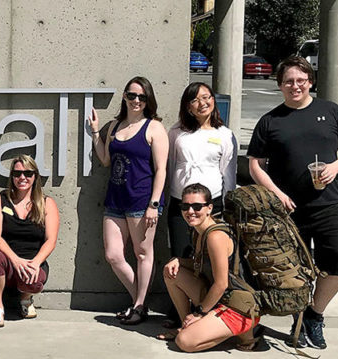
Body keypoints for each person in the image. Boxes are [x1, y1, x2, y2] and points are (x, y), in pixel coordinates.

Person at [247, 56, 338, 349]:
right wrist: (278, 194)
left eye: (300, 80)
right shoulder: (270, 121)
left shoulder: (330, 111)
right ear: (280, 85)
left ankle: (315, 313)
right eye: (288, 81)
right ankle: (297, 316)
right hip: (287, 210)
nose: (295, 86)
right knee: (290, 270)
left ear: (310, 81)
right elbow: (255, 165)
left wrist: (335, 167)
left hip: (328, 203)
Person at [87, 76, 169, 325]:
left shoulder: (154, 128)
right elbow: (104, 160)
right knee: (113, 255)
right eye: (132, 95)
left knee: (143, 254)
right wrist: (95, 132)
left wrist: (154, 204)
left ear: (148, 100)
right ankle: (139, 303)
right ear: (124, 96)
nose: (136, 101)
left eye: (142, 97)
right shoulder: (114, 126)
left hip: (142, 201)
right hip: (115, 199)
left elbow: (161, 169)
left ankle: (139, 305)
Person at [162, 82, 237, 326]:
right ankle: (180, 311)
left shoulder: (224, 134)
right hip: (180, 202)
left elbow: (229, 172)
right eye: (195, 99)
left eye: (207, 97)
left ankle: (205, 310)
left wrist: (226, 205)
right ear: (188, 106)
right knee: (181, 255)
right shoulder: (177, 132)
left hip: (211, 203)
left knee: (206, 258)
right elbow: (170, 166)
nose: (202, 102)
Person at [159, 183, 260, 352]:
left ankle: (246, 334)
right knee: (172, 272)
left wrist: (199, 314)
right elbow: (202, 266)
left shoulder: (215, 236)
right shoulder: (198, 231)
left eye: (197, 206)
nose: (190, 211)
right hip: (221, 300)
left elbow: (221, 284)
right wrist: (178, 260)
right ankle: (191, 326)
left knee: (184, 342)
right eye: (185, 206)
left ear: (209, 208)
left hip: (238, 306)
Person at [0, 155, 59, 327]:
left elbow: (50, 240)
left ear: (35, 176)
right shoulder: (1, 200)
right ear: (12, 177)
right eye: (17, 174)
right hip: (7, 263)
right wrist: (15, 260)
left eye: (27, 173)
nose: (22, 178)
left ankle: (25, 300)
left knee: (34, 280)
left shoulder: (47, 203)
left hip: (32, 263)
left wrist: (35, 263)